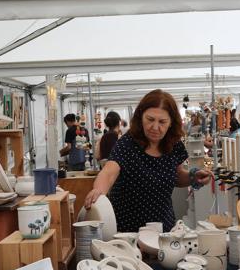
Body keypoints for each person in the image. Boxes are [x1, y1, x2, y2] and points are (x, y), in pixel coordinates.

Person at [82, 90, 212, 232]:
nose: (155, 127)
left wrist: (193, 177)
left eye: (162, 122)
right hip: (127, 233)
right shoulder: (127, 144)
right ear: (140, 117)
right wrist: (98, 191)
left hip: (163, 230)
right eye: (150, 119)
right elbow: (109, 172)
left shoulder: (174, 145)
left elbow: (177, 176)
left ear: (171, 123)